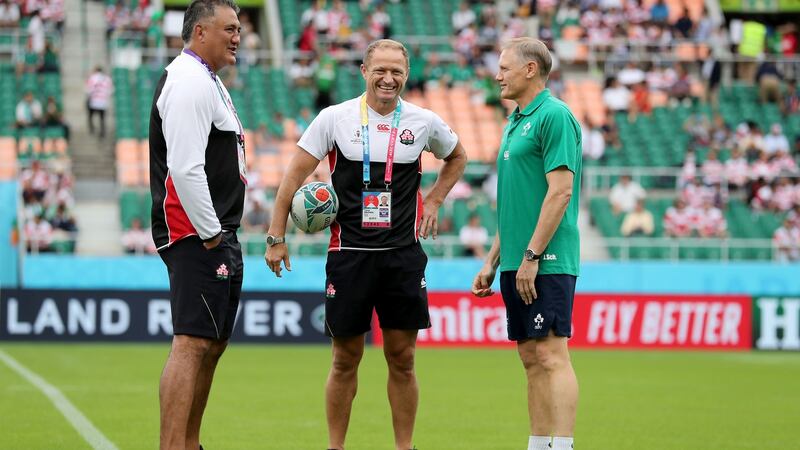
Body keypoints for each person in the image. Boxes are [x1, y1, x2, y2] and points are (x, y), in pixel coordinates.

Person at [265, 39, 467, 450]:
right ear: (364, 71)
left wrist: (435, 198)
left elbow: (458, 156)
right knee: (344, 359)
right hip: (349, 256)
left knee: (403, 359)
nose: (388, 79)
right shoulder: (334, 118)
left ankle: (404, 447)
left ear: (407, 75)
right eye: (380, 70)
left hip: (403, 257)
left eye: (397, 71)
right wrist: (276, 236)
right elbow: (291, 178)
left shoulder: (423, 121)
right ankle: (335, 447)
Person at [471, 37, 581, 450]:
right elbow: (518, 204)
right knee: (530, 358)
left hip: (546, 258)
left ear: (530, 69)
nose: (497, 75)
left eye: (504, 67)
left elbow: (560, 193)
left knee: (552, 354)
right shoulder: (515, 121)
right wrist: (493, 260)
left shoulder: (555, 115)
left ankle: (563, 445)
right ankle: (538, 444)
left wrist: (533, 255)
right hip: (518, 260)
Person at [148, 1, 246, 449]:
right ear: (200, 31)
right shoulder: (188, 81)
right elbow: (186, 168)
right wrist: (210, 234)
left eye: (240, 28)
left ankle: (190, 442)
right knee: (191, 342)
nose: (237, 36)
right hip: (195, 233)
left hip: (216, 232)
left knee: (210, 344)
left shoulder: (206, 80)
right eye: (229, 28)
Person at [85, 66, 113, 137]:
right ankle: (102, 132)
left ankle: (92, 129)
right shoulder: (107, 79)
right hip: (103, 101)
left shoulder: (92, 78)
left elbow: (88, 90)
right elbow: (111, 91)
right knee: (102, 118)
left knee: (90, 116)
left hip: (94, 100)